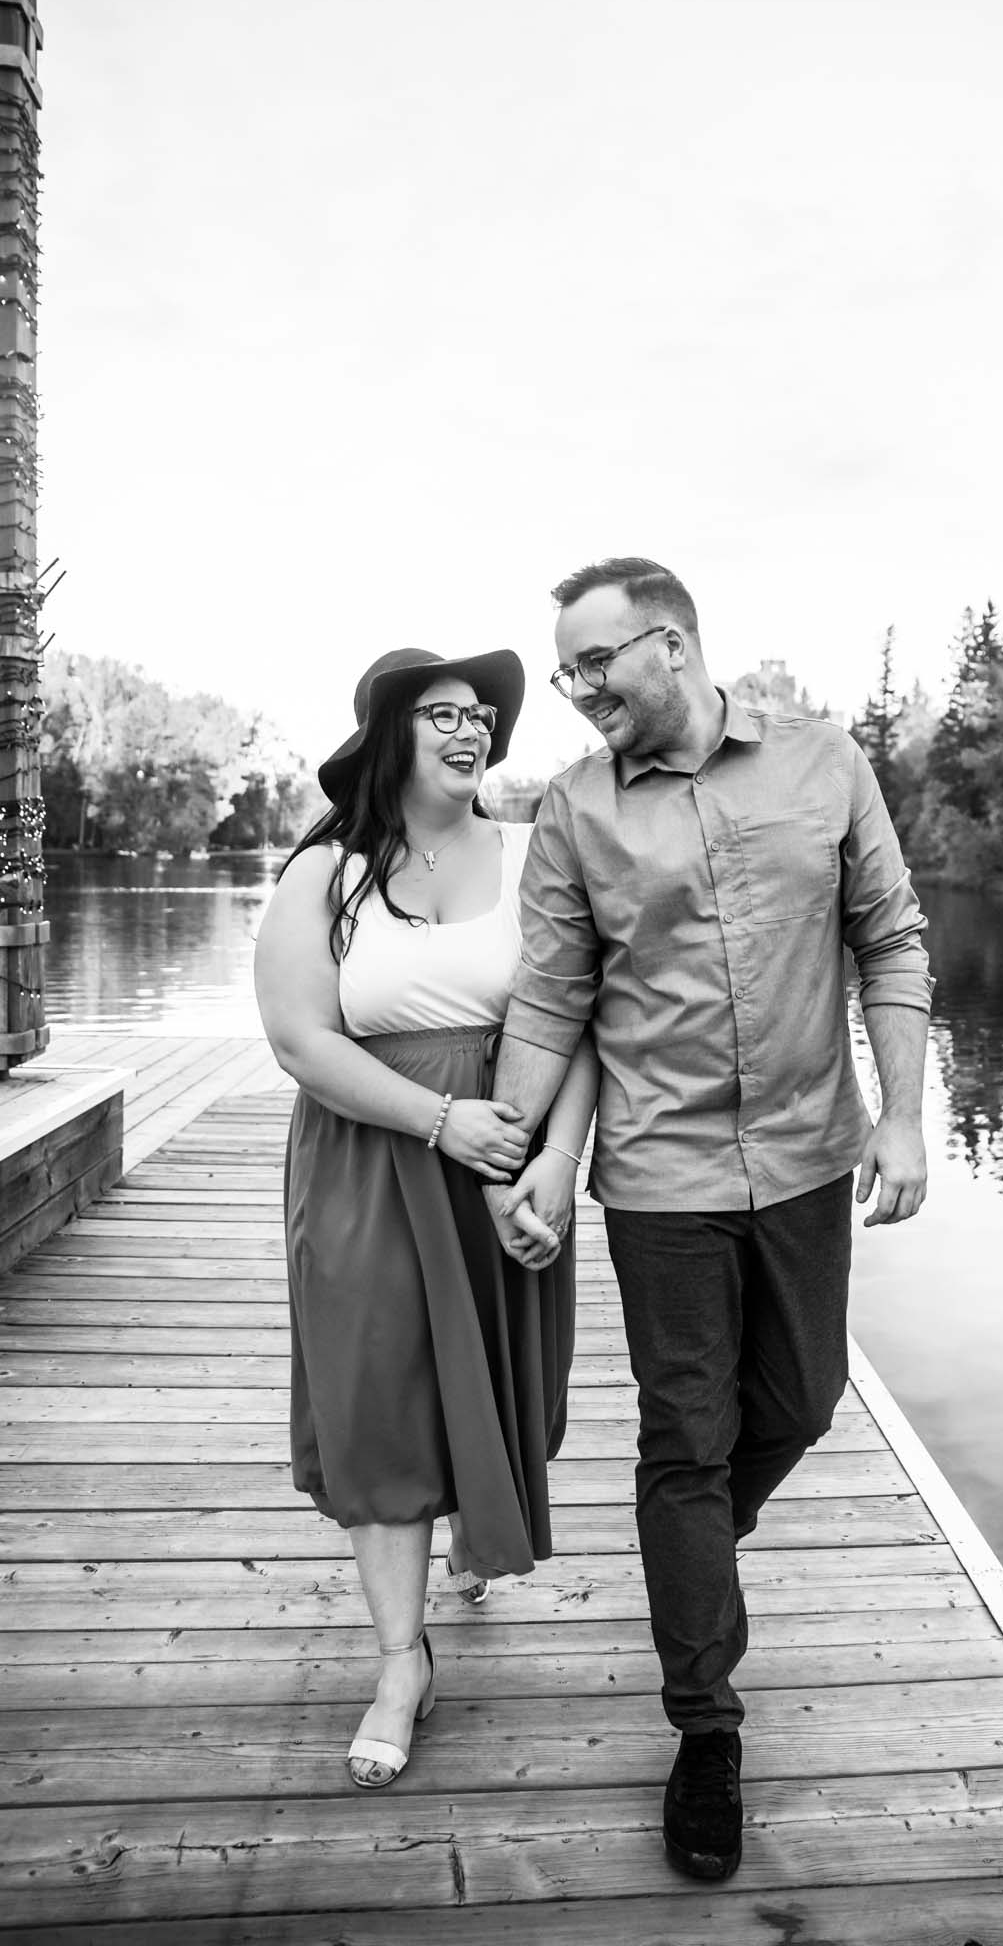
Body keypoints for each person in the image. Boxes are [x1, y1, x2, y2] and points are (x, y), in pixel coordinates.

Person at [484, 558, 934, 1881]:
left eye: (591, 667)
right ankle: (705, 1728)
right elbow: (551, 1001)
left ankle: (687, 1553)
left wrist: (904, 1119)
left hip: (806, 1157)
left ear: (668, 647)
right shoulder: (573, 811)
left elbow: (891, 938)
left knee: (800, 1400)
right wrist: (527, 1163)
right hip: (663, 1178)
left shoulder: (820, 761)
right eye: (564, 672)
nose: (574, 695)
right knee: (686, 1435)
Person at [254, 645, 597, 1792]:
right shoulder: (325, 871)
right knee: (379, 1403)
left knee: (498, 1390)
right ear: (390, 731)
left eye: (481, 714)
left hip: (508, 1149)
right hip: (370, 1162)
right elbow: (303, 1041)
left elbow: (579, 1015)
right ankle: (401, 1660)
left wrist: (555, 1158)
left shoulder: (535, 854)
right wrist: (438, 1122)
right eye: (442, 712)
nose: (470, 728)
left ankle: (474, 1537)